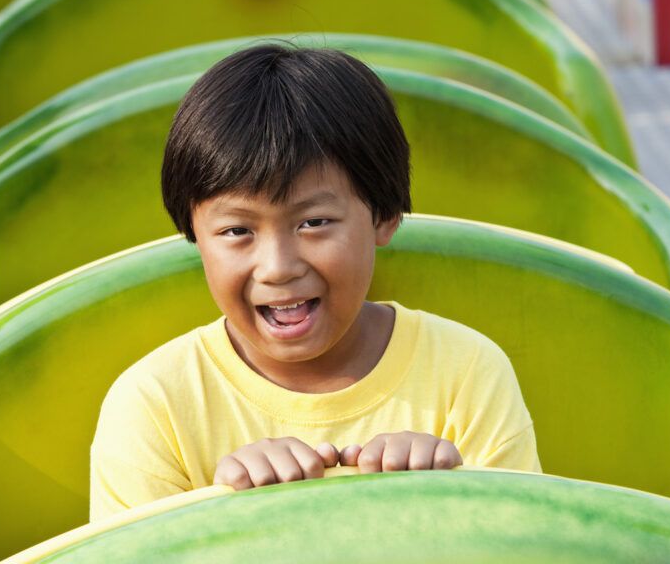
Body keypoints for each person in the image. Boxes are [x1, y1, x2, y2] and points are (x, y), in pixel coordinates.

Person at [89, 43, 541, 522]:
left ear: (384, 215)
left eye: (314, 222)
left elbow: (533, 545)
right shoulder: (155, 404)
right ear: (195, 236)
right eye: (237, 231)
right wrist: (230, 521)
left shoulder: (466, 372)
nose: (278, 267)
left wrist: (450, 503)